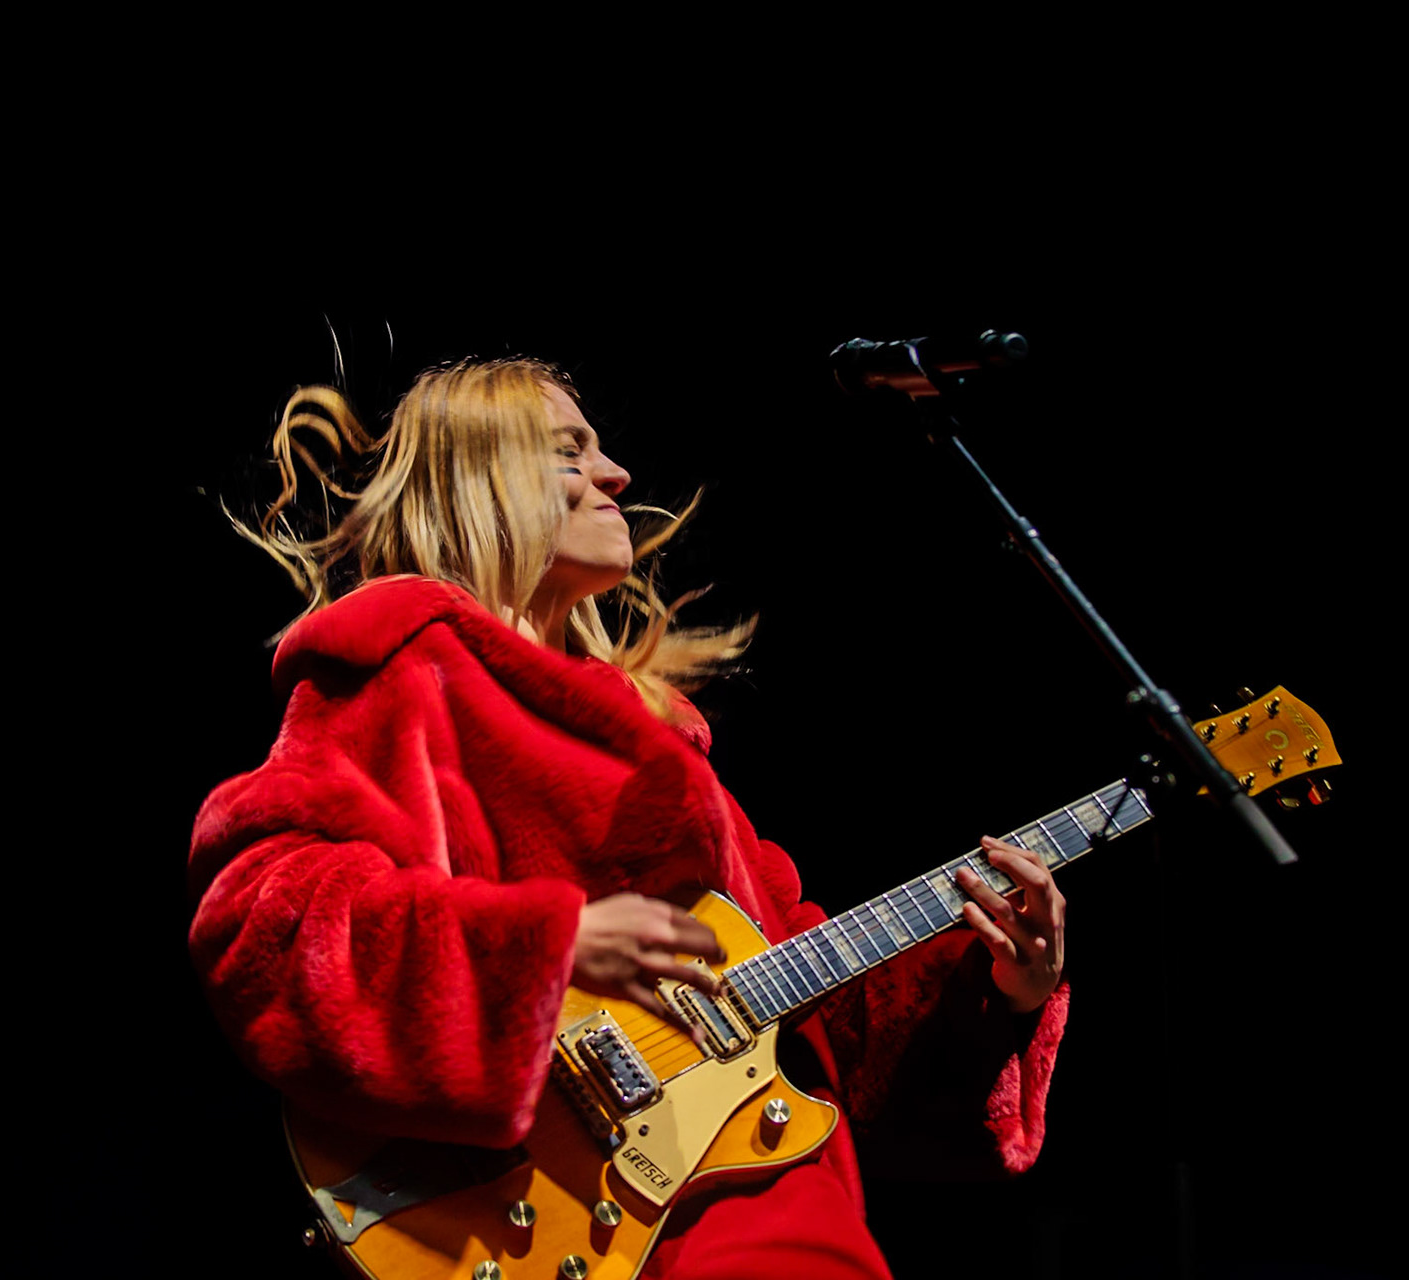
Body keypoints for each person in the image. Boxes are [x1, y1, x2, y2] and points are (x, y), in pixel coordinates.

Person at [187, 357, 1072, 1279]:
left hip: (767, 1198)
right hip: (560, 1216)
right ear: (480, 481)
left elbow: (807, 1008)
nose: (616, 477)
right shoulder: (403, 666)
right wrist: (543, 951)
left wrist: (994, 981)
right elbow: (272, 920)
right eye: (572, 453)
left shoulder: (663, 737)